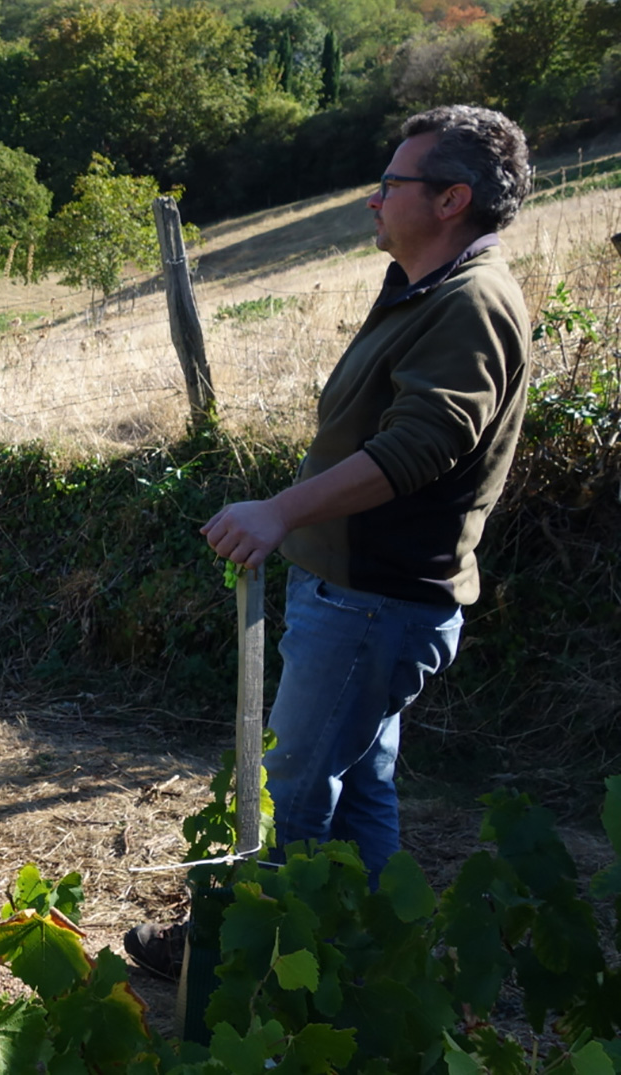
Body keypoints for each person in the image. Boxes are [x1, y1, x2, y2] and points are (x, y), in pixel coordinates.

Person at [126, 105, 532, 980]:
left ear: (452, 198)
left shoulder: (470, 300)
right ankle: (378, 963)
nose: (373, 201)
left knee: (286, 798)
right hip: (363, 598)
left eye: (391, 184)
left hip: (372, 604)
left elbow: (423, 444)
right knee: (359, 798)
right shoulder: (427, 287)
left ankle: (232, 967)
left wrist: (281, 510)